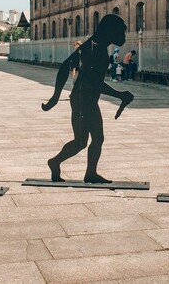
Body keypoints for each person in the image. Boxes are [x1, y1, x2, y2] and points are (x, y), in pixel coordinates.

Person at [42, 14, 134, 184]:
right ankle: (58, 163)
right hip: (82, 100)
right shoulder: (95, 49)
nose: (124, 37)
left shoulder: (95, 45)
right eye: (122, 32)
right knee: (83, 141)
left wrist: (56, 97)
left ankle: (86, 171)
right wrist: (121, 94)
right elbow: (94, 83)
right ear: (111, 31)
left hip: (86, 100)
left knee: (90, 140)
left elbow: (67, 66)